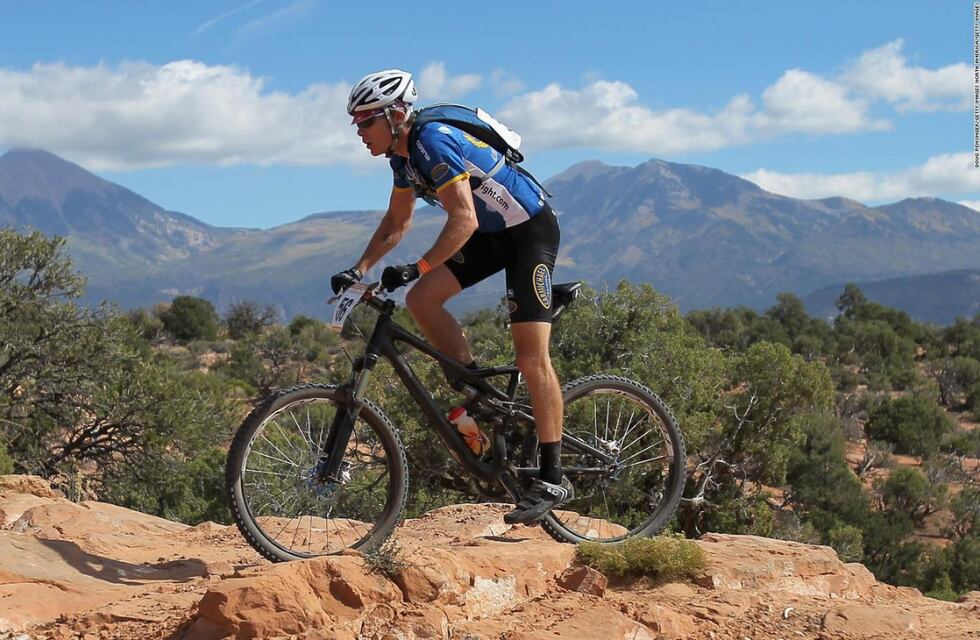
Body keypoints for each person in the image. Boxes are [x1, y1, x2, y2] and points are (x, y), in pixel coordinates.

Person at [330, 69, 572, 524]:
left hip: (528, 233)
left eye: (366, 122)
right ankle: (477, 392)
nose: (359, 133)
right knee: (422, 301)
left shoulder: (432, 141)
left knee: (530, 357)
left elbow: (463, 219)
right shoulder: (402, 159)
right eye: (357, 124)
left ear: (396, 114)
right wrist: (358, 270)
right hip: (488, 235)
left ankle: (553, 476)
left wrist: (415, 266)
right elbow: (396, 223)